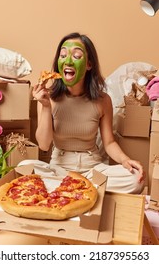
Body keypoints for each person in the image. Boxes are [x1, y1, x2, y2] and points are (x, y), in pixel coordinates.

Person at [32, 32, 145, 194]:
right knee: (25, 168)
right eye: (63, 55)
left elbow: (109, 143)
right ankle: (83, 190)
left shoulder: (102, 100)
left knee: (135, 179)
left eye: (76, 56)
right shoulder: (47, 97)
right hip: (59, 170)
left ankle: (72, 189)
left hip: (93, 170)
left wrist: (126, 160)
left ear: (89, 64)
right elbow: (43, 144)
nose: (68, 60)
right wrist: (46, 106)